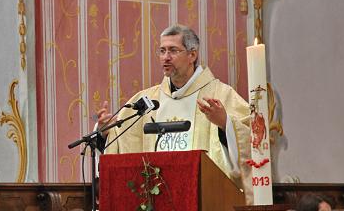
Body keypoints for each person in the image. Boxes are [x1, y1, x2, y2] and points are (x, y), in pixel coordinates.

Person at [97, 24, 252, 199]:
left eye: (173, 51)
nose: (166, 57)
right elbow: (120, 144)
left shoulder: (221, 95)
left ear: (192, 55)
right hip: (156, 200)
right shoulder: (146, 101)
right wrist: (103, 133)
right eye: (162, 51)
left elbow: (251, 137)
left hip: (204, 201)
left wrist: (225, 124)